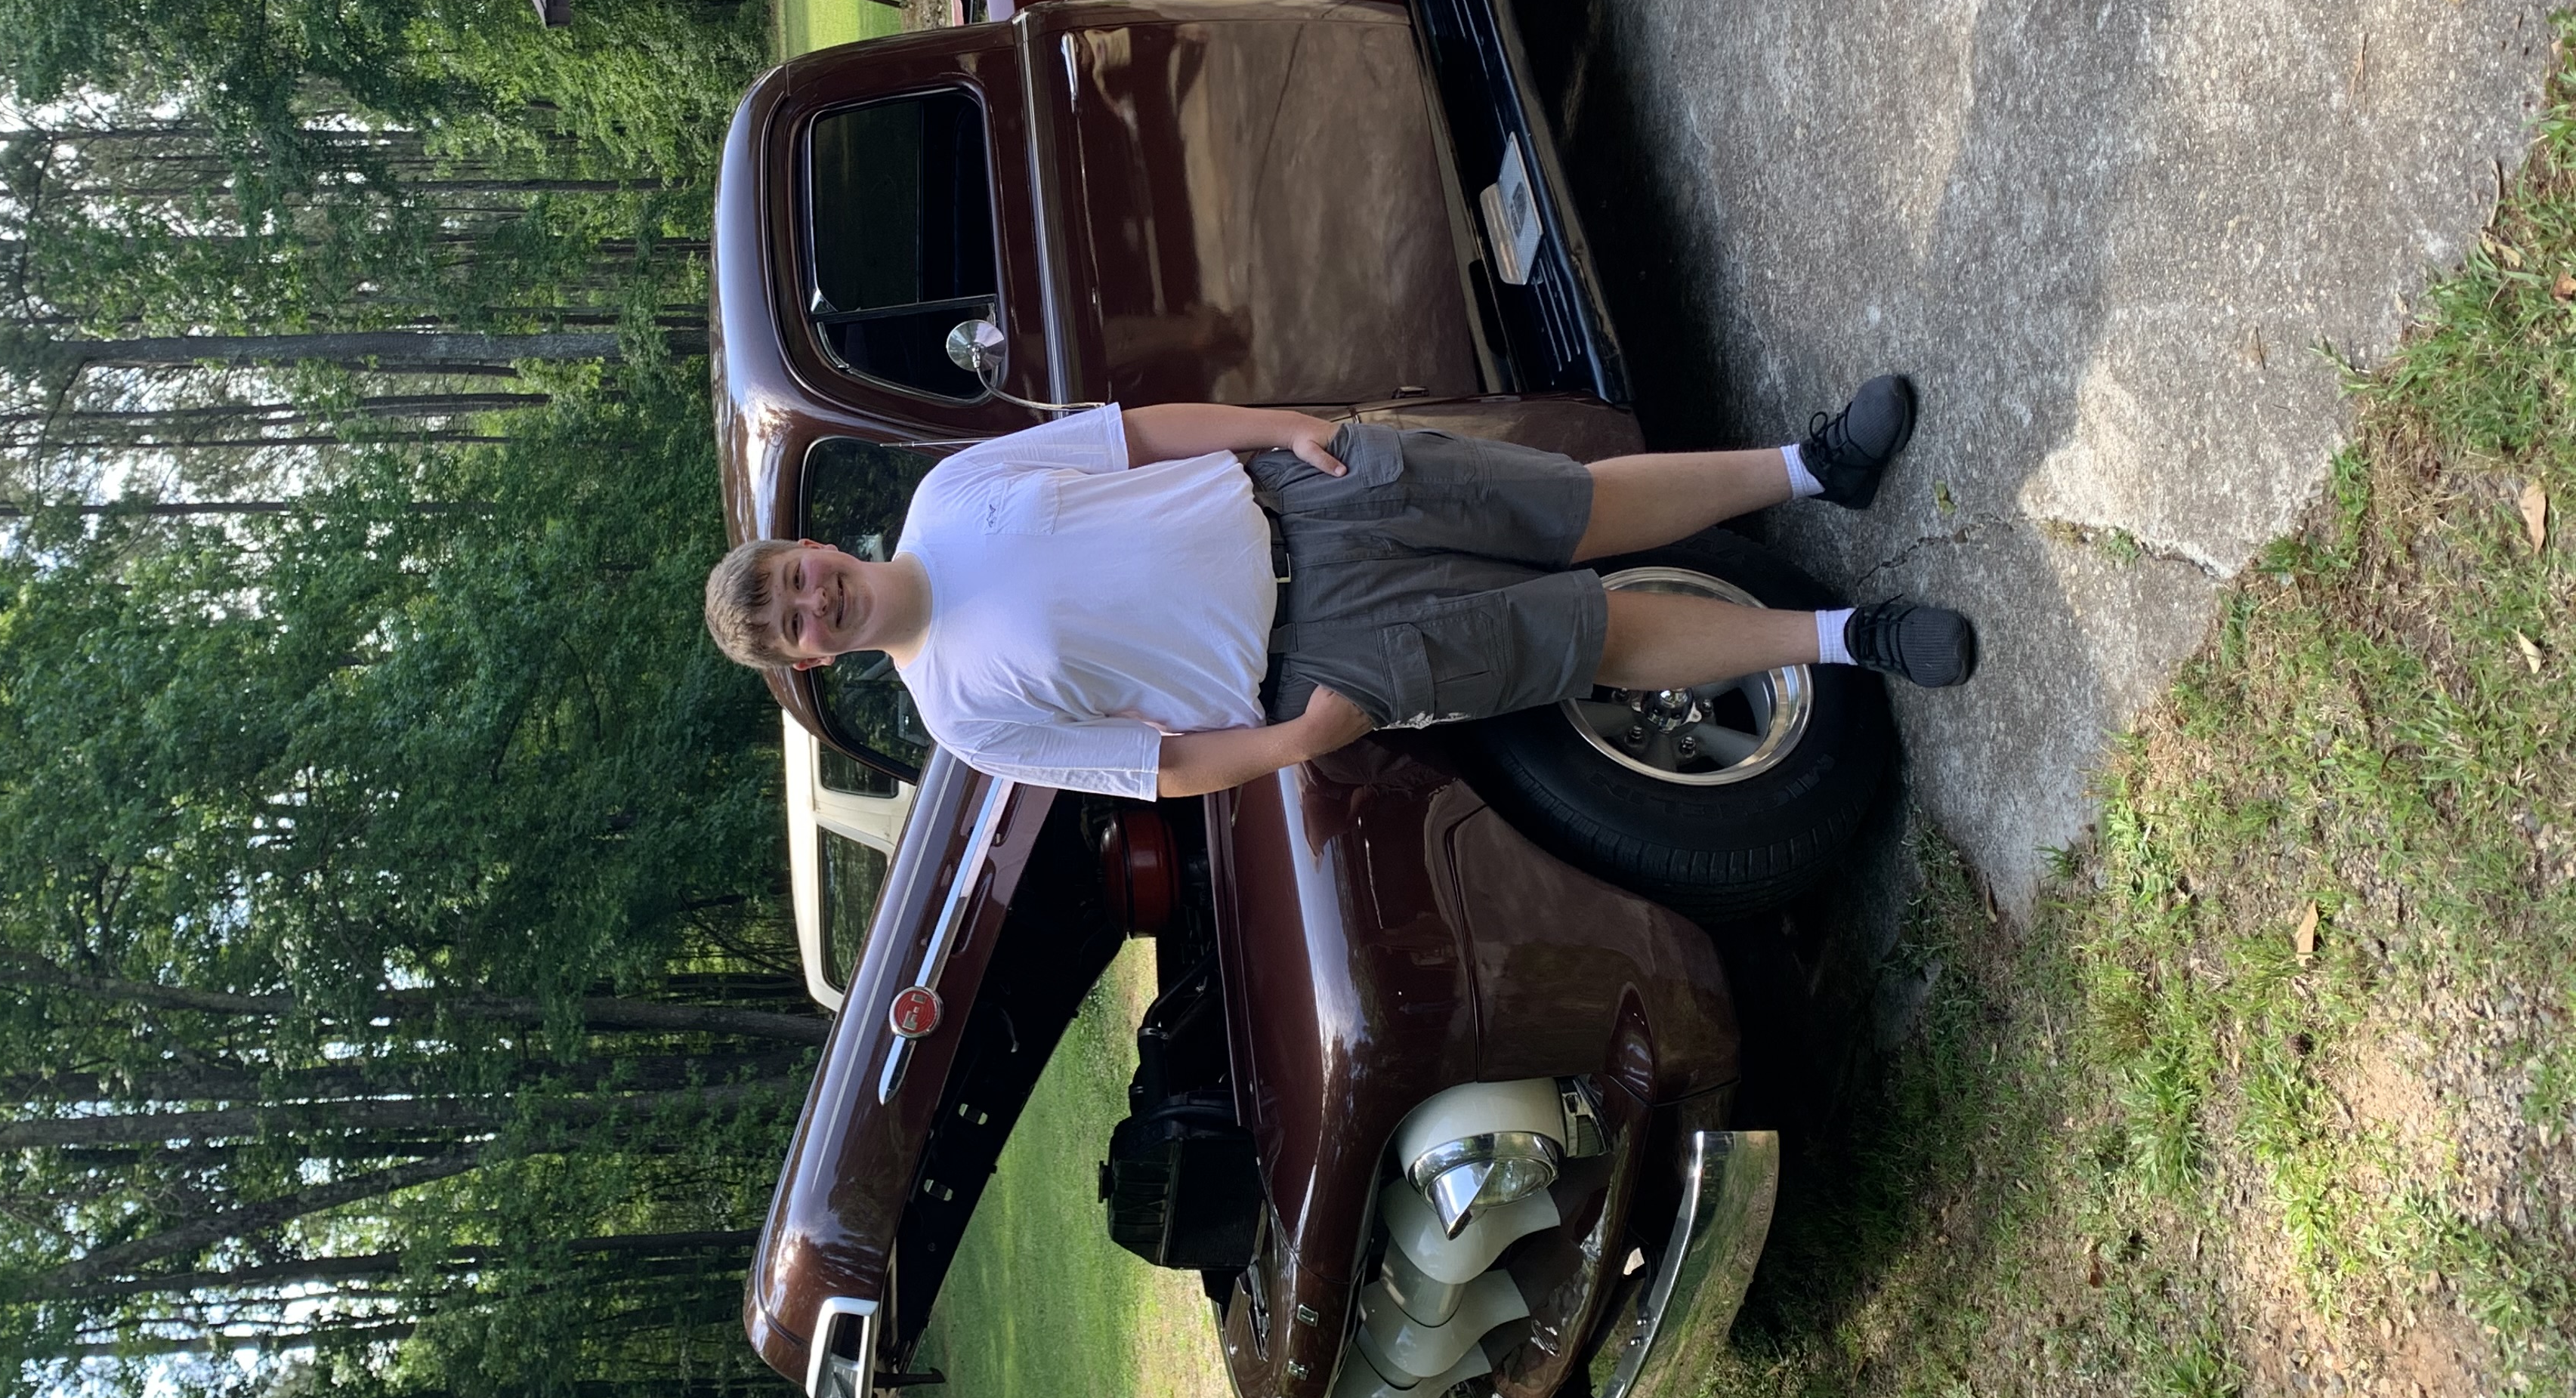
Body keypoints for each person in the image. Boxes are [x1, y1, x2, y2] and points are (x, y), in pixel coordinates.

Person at [702, 378, 1975, 799]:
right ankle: (1852, 638)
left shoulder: (950, 494)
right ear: (809, 659)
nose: (817, 601)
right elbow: (1159, 767)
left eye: (797, 579)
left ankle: (1816, 468)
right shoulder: (963, 721)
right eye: (797, 624)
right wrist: (1296, 743)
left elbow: (1132, 435)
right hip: (1320, 658)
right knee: (1588, 634)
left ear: (810, 548)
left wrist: (1283, 426)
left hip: (1301, 496)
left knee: (1572, 505)